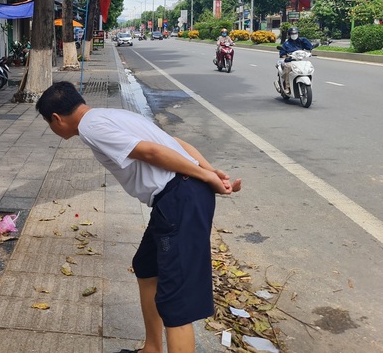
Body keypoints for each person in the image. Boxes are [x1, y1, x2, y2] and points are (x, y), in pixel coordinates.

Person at [35, 82, 241, 353]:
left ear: (57, 119)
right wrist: (209, 170)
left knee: (175, 303)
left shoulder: (90, 127)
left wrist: (207, 175)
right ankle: (152, 348)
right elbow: (178, 143)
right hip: (179, 194)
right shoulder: (113, 115)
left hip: (179, 197)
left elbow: (152, 152)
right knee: (146, 266)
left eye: (49, 125)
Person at [277, 27, 313, 92]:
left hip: (300, 61)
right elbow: (282, 54)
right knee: (288, 67)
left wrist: (310, 48)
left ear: (298, 34)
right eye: (292, 33)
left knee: (308, 65)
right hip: (290, 61)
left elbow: (309, 47)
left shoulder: (302, 40)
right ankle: (287, 87)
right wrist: (286, 56)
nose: (294, 35)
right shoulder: (286, 43)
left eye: (295, 33)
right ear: (289, 34)